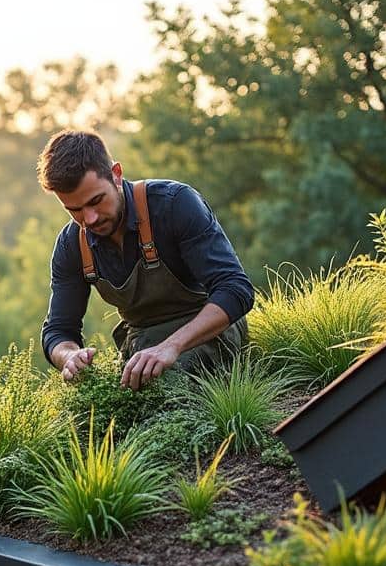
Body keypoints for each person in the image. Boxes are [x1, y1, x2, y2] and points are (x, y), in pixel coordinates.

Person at [38, 129, 254, 390]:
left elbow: (236, 290)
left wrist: (171, 347)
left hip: (208, 332)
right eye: (75, 210)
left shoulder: (175, 204)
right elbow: (58, 331)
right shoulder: (71, 245)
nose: (90, 218)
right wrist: (69, 356)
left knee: (166, 389)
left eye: (96, 201)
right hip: (142, 346)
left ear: (116, 174)